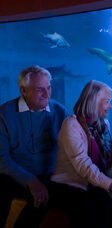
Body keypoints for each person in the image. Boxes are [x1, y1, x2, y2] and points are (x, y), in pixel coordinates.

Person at [50, 80, 112, 227]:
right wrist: (111, 184)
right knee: (95, 209)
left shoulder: (102, 124)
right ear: (93, 102)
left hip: (96, 181)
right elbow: (83, 165)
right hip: (72, 184)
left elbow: (109, 156)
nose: (110, 106)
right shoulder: (71, 125)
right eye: (107, 102)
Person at [0, 65, 68, 227]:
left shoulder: (59, 111)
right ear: (23, 91)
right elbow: (1, 159)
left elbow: (74, 146)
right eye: (39, 90)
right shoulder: (4, 114)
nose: (47, 94)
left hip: (50, 176)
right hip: (14, 176)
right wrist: (31, 182)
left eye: (49, 88)